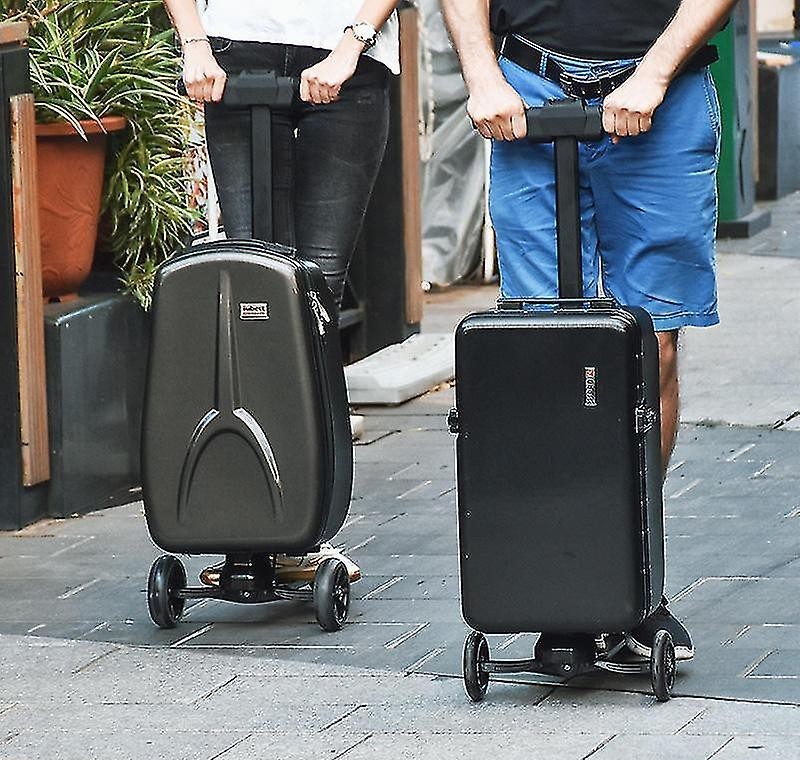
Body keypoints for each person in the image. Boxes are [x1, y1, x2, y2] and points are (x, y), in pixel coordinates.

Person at [441, 0, 738, 661]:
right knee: (541, 345)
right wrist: (483, 76)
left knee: (653, 346)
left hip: (663, 87)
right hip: (527, 89)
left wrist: (654, 75)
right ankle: (561, 576)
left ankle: (633, 579)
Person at [162, 0, 400, 583]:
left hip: (350, 63)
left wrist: (353, 42)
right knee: (252, 296)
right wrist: (194, 42)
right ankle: (247, 519)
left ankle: (301, 523)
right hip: (235, 54)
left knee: (317, 294)